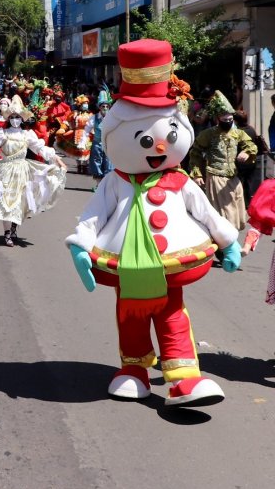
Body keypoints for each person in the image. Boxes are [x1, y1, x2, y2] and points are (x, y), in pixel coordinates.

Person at [66, 39, 242, 408]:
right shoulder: (116, 181)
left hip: (170, 261)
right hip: (127, 260)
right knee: (130, 315)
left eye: (168, 137)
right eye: (145, 140)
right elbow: (94, 214)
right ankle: (134, 370)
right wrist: (80, 245)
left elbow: (206, 212)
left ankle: (185, 378)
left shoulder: (180, 180)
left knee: (172, 312)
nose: (159, 147)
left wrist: (227, 240)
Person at [0, 95, 67, 247]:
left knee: (20, 201)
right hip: (5, 171)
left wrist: (58, 160)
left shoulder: (27, 134)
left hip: (22, 170)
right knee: (5, 200)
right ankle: (7, 233)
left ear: (22, 119)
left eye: (18, 117)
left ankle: (14, 229)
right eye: (13, 116)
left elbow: (40, 148)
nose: (15, 119)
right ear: (9, 118)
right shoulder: (2, 133)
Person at [189, 91, 257, 230]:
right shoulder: (208, 134)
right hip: (216, 177)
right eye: (225, 120)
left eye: (230, 119)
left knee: (238, 216)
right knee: (225, 216)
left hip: (233, 178)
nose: (228, 122)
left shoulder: (237, 133)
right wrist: (197, 174)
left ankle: (229, 241)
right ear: (217, 119)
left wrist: (246, 152)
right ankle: (225, 245)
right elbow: (195, 152)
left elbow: (251, 146)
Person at [83, 87, 114, 191]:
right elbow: (87, 129)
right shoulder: (94, 118)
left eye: (106, 106)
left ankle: (106, 185)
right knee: (97, 163)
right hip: (97, 144)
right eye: (103, 106)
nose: (105, 108)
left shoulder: (113, 117)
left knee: (109, 163)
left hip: (109, 144)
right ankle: (99, 185)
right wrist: (83, 141)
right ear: (99, 107)